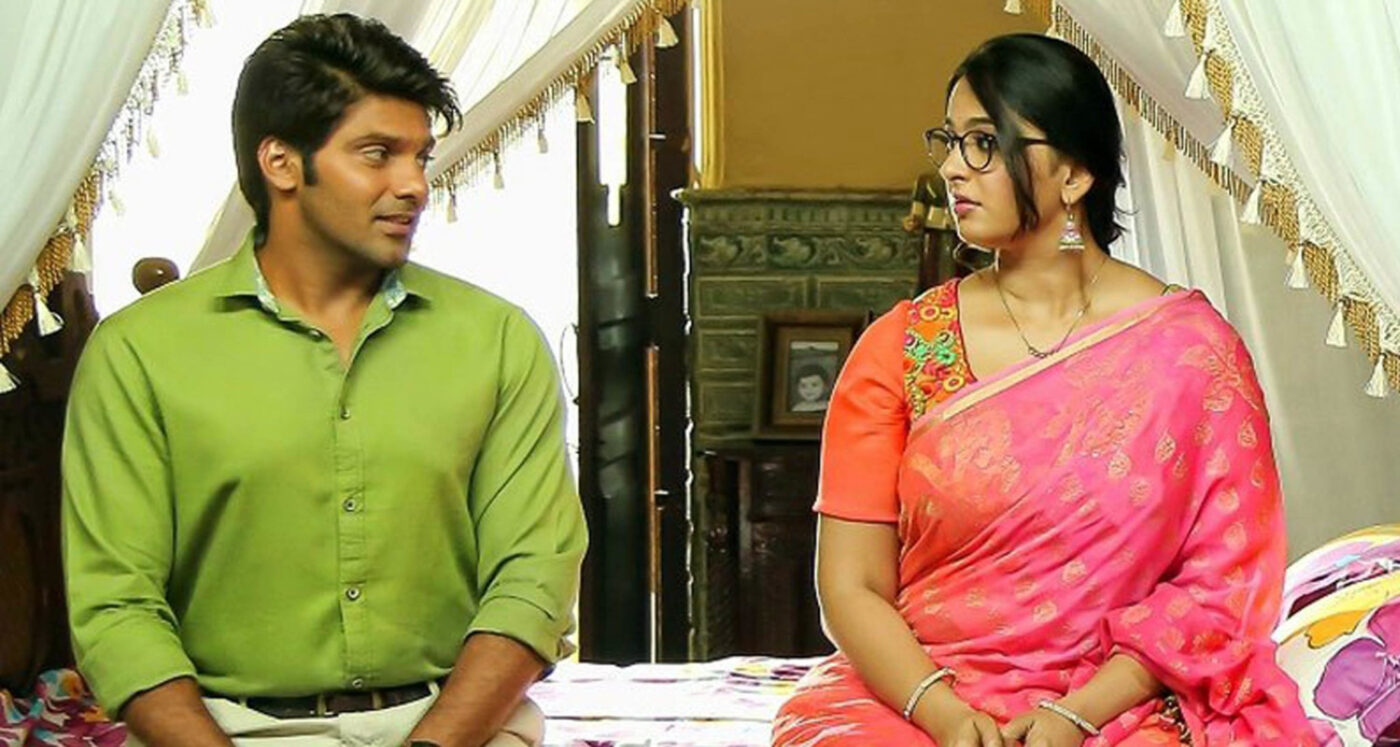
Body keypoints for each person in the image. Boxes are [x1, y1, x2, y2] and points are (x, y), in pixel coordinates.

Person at [772, 34, 1315, 747]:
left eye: (984, 143)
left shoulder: (1193, 355)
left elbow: (1221, 585)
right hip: (915, 697)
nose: (951, 167)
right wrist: (945, 714)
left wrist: (1076, 712)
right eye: (949, 141)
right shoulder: (900, 348)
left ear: (1075, 175)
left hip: (1112, 704)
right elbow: (851, 586)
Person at [61, 14, 586, 747]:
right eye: (377, 154)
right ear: (281, 163)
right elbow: (117, 608)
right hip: (225, 731)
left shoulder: (496, 340)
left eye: (420, 156)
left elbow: (533, 579)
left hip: (456, 729)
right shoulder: (138, 353)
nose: (413, 185)